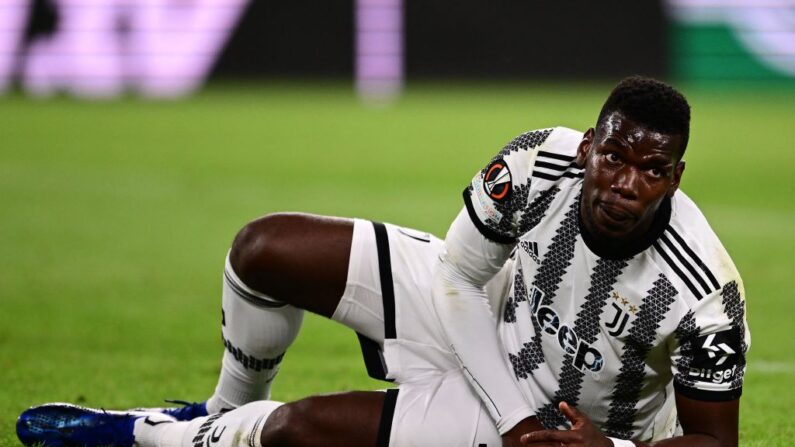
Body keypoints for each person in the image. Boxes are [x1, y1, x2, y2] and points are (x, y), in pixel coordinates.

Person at [17, 77, 749, 447]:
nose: (626, 182)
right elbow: (459, 276)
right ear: (589, 146)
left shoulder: (702, 291)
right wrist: (515, 407)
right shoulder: (536, 162)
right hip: (487, 316)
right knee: (262, 250)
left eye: (650, 170)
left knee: (296, 431)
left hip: (561, 428)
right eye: (614, 156)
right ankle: (221, 410)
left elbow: (715, 442)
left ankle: (146, 435)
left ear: (674, 177)